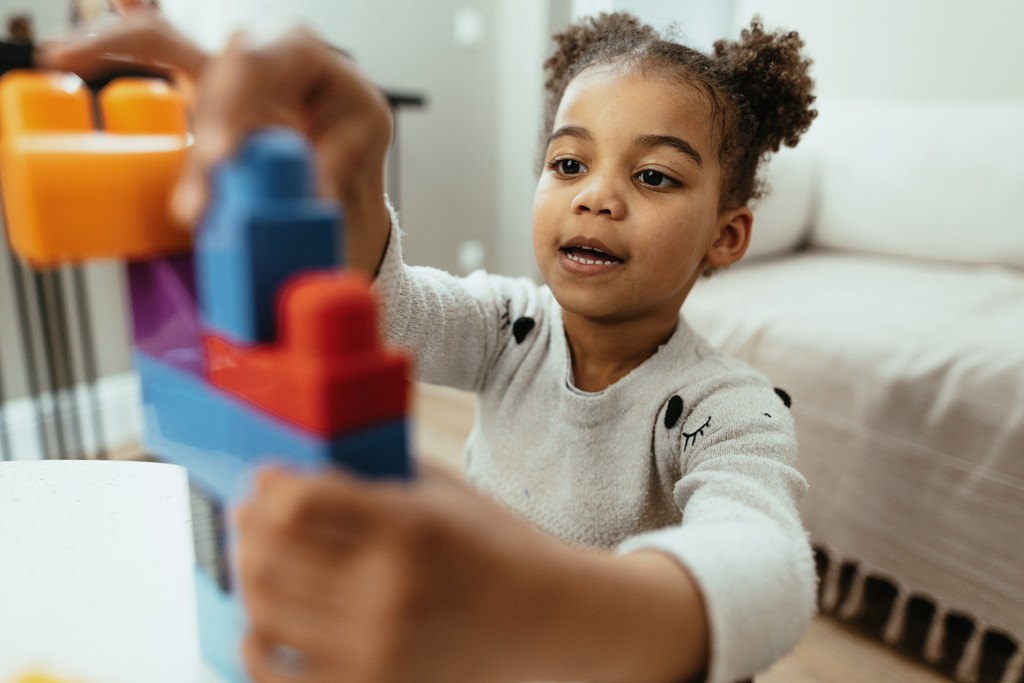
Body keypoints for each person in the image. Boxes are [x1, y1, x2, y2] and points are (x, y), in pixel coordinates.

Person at [43, 8, 817, 683]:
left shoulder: (726, 408)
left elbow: (769, 567)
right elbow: (392, 307)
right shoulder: (510, 326)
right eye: (569, 163)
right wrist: (353, 175)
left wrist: (534, 603)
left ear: (726, 235)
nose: (596, 194)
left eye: (652, 176)